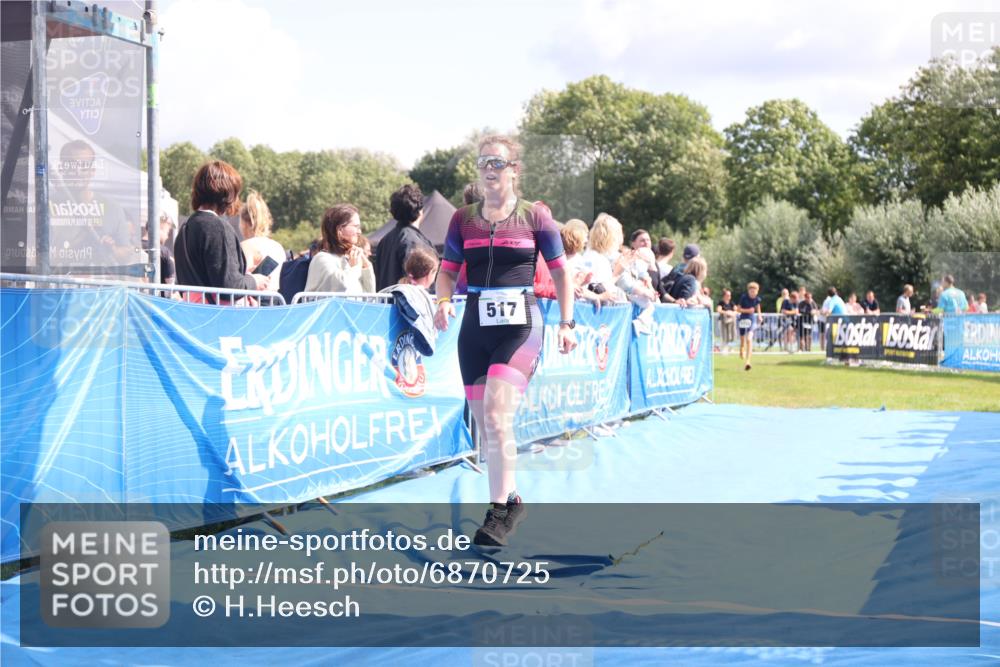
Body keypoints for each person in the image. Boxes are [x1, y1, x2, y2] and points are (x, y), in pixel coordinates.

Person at [434, 135, 576, 547]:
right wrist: (443, 300)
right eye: (482, 162)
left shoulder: (537, 218)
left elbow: (563, 274)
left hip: (521, 325)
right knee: (486, 425)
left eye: (497, 162)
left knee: (497, 416)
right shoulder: (462, 219)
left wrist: (567, 323)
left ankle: (498, 513)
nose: (489, 169)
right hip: (475, 327)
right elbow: (447, 270)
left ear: (514, 169)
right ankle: (511, 499)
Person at [174, 161, 270, 299]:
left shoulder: (185, 228)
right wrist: (255, 281)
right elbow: (229, 288)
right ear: (228, 194)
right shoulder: (217, 228)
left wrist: (242, 275)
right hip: (217, 317)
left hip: (192, 313)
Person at [304, 204, 376, 293]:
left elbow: (370, 297)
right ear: (340, 230)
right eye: (355, 226)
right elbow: (342, 290)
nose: (359, 231)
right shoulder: (322, 259)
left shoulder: (350, 259)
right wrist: (354, 268)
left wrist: (367, 267)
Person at [374, 184, 433, 291]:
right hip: (407, 304)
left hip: (385, 304)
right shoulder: (415, 242)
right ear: (420, 211)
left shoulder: (384, 240)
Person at [239, 190, 286, 294]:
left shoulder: (242, 247)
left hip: (249, 307)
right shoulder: (278, 248)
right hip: (276, 305)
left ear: (243, 223)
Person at [738, 282, 762, 371]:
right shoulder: (743, 297)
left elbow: (758, 307)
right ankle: (741, 348)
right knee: (742, 341)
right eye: (751, 291)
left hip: (752, 320)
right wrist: (747, 310)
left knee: (749, 339)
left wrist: (760, 316)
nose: (752, 293)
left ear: (757, 291)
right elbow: (738, 309)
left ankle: (748, 362)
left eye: (754, 291)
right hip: (743, 319)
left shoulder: (757, 299)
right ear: (748, 291)